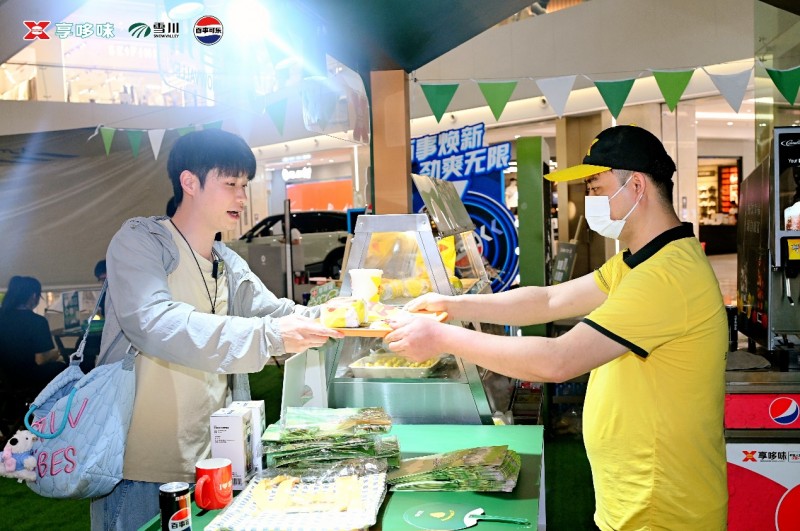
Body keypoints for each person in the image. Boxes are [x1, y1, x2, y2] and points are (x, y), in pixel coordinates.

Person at [386, 125, 728, 530]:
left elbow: (558, 361)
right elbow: (548, 300)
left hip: (663, 507)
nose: (590, 200)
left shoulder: (666, 277)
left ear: (636, 186)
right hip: (637, 495)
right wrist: (453, 304)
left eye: (596, 188)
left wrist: (442, 337)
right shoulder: (638, 262)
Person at [90, 129, 343, 530]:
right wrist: (268, 335)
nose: (242, 197)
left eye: (245, 185)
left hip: (216, 462)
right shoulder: (141, 241)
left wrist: (342, 315)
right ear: (190, 182)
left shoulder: (227, 261)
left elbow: (276, 313)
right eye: (230, 184)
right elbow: (156, 322)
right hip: (141, 471)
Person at [0, 276, 66, 392]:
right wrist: (55, 354)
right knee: (64, 368)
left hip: (4, 378)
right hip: (27, 377)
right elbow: (41, 359)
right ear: (34, 296)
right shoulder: (37, 321)